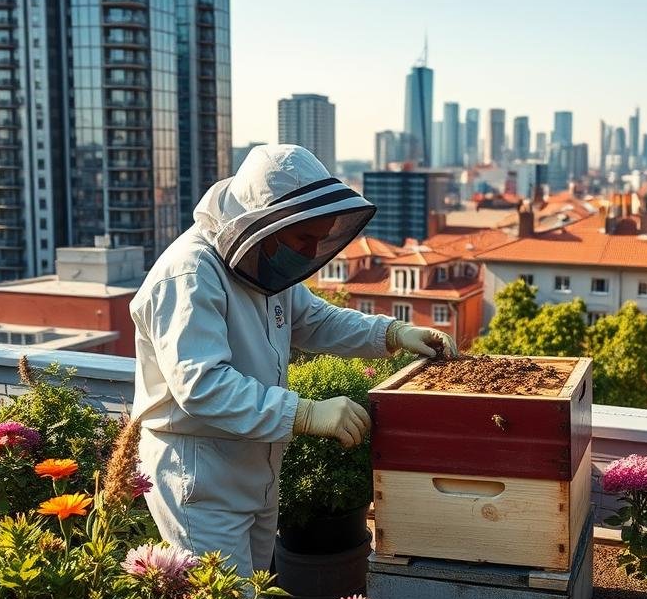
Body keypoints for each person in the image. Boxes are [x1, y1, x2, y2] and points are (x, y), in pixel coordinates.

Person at [129, 144, 457, 577]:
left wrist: (392, 333)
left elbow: (315, 319)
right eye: (304, 238)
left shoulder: (262, 266)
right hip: (200, 477)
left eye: (319, 238)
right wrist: (302, 412)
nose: (311, 250)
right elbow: (201, 385)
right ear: (266, 223)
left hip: (254, 468)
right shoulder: (189, 275)